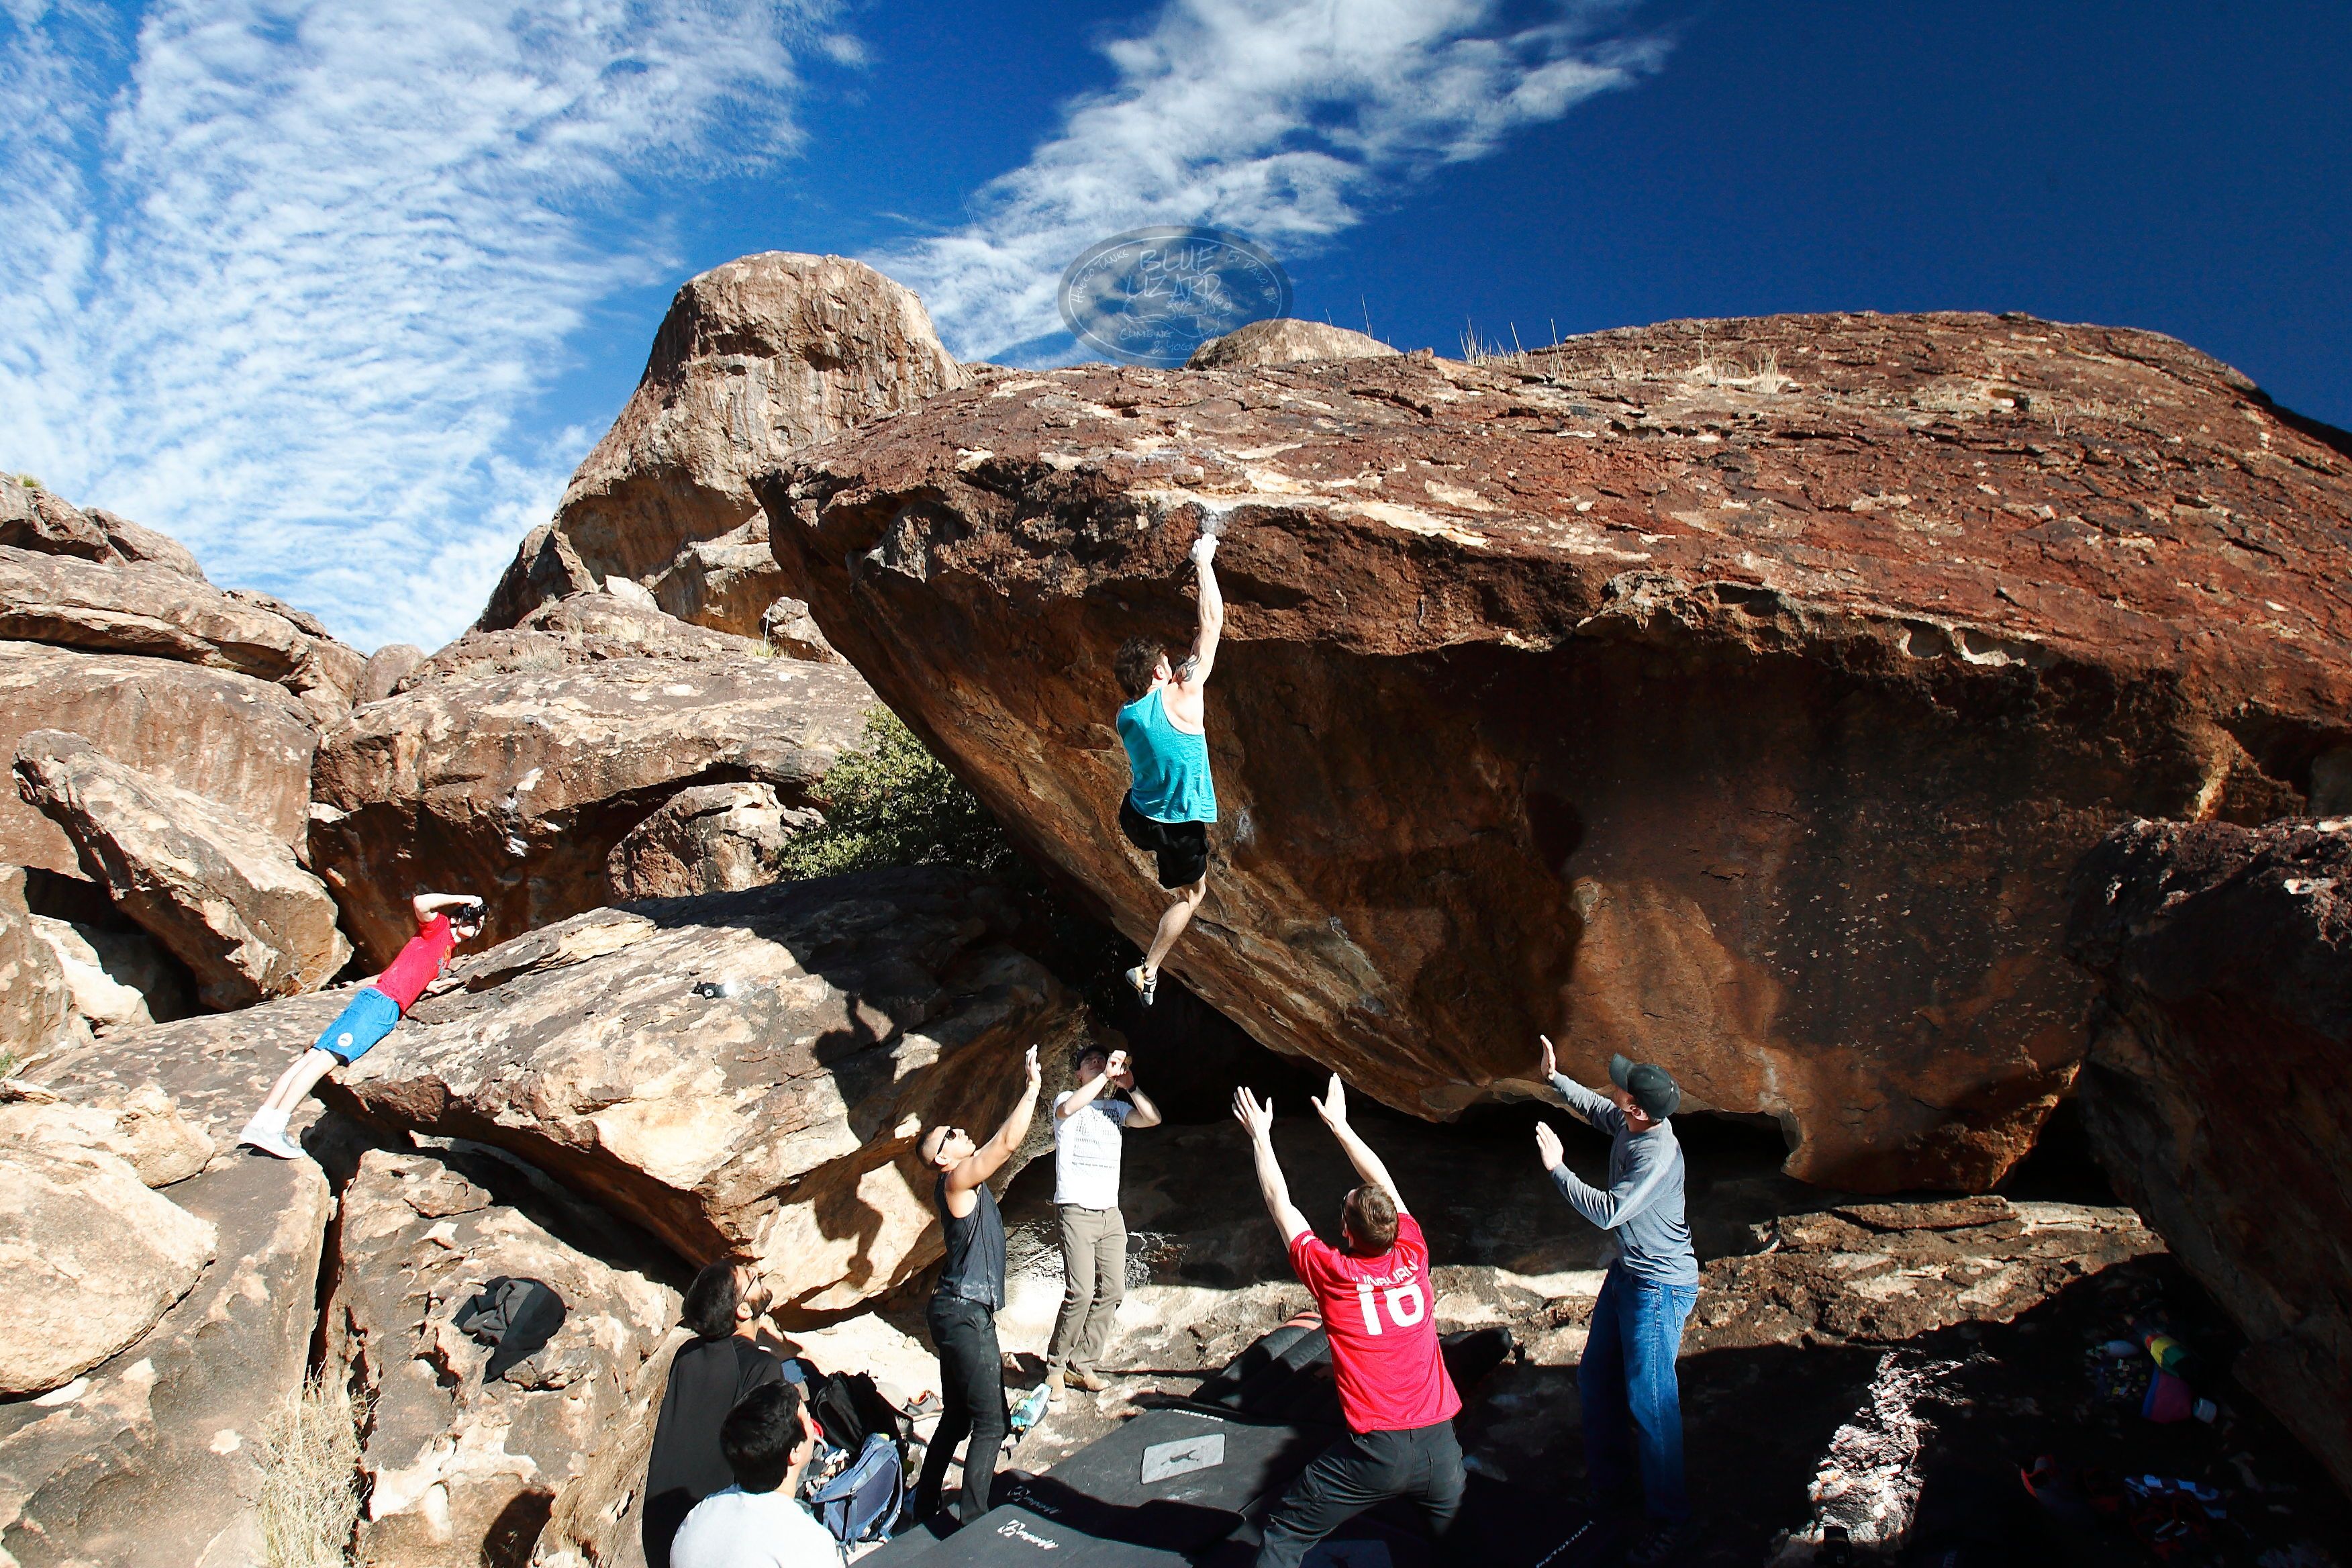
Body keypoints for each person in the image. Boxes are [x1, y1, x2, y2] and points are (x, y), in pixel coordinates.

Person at [1232, 1073, 1464, 1568]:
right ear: (1395, 1228)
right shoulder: (1414, 1250)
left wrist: (1261, 1137)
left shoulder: (1333, 1274)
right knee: (1457, 1547)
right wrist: (1341, 1126)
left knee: (1285, 1534)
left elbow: (1281, 1203)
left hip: (1377, 1452)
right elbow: (1386, 1186)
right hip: (1442, 1447)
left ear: (1345, 1230)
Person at [1532, 1035, 1702, 1566]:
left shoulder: (1657, 1152)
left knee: (1651, 1404)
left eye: (1624, 1088)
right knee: (1596, 1378)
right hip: (1628, 1276)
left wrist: (1559, 1169)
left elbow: (1608, 1212)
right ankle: (1612, 1489)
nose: (1617, 1089)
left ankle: (1671, 1520)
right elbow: (1597, 1109)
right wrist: (1554, 1080)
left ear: (1639, 1108)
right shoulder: (1634, 1121)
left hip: (1659, 1288)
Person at [237, 891, 484, 1159]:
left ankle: (260, 1124)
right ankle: (273, 1129)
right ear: (457, 918)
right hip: (381, 1004)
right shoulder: (438, 928)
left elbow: (414, 967)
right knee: (324, 1061)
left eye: (479, 923)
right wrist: (463, 898)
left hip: (380, 1000)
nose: (476, 926)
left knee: (312, 1059)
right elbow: (420, 902)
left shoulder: (446, 948)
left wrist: (429, 985)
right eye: (472, 919)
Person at [909, 1044, 1042, 1528]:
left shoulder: (963, 1183)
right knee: (991, 1423)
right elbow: (1005, 1146)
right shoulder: (957, 1181)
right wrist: (1032, 1088)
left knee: (958, 1419)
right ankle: (975, 1526)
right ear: (944, 1156)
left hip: (954, 1309)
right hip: (963, 1312)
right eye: (953, 1134)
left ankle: (925, 1506)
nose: (963, 1131)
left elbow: (995, 1147)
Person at [1111, 526, 1223, 1006]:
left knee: (1172, 865)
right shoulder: (1185, 692)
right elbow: (1212, 626)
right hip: (1176, 827)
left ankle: (1150, 968)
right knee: (1191, 897)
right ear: (1161, 671)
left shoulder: (1126, 716)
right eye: (1166, 662)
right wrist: (1203, 561)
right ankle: (1148, 968)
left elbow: (1158, 697)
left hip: (1136, 817)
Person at [643, 1261, 787, 1568]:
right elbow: (763, 1466)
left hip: (660, 1532)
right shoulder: (762, 1369)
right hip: (712, 1538)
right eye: (751, 1277)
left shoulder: (687, 1354)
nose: (756, 1273)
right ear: (744, 1311)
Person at [1044, 1046, 1162, 1403]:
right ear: (1078, 1074)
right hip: (1076, 1209)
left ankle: (1083, 1363)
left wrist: (1131, 1086)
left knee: (1113, 1290)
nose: (1097, 1065)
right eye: (1088, 1063)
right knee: (1080, 1292)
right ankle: (1054, 1367)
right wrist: (1103, 1078)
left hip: (1110, 1213)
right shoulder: (1067, 1100)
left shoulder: (1116, 1108)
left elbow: (1153, 1119)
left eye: (1101, 1061)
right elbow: (1069, 1107)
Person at [669, 1381, 836, 1568]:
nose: (813, 1426)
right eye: (807, 1418)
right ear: (794, 1453)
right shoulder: (811, 1543)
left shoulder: (697, 1518)